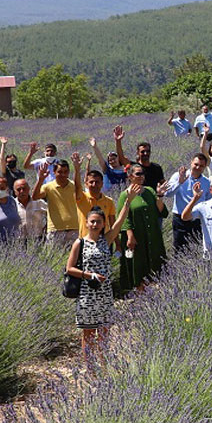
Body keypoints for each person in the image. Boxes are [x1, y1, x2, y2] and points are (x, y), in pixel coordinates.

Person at [67, 197, 135, 353]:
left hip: (105, 293)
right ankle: (90, 370)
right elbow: (69, 268)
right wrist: (89, 275)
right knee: (88, 334)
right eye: (92, 221)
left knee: (105, 332)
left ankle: (104, 370)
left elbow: (119, 221)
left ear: (104, 224)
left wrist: (127, 203)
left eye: (98, 222)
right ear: (86, 223)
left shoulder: (107, 239)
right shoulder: (80, 243)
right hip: (87, 294)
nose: (95, 224)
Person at [116, 163, 167, 292]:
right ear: (130, 176)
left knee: (155, 263)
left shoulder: (149, 191)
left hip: (153, 234)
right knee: (139, 265)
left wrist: (160, 196)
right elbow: (124, 217)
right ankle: (139, 293)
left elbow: (160, 211)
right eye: (138, 174)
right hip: (137, 236)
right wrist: (130, 236)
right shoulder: (125, 195)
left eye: (142, 173)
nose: (141, 176)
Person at [33, 160, 81, 246]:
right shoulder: (48, 187)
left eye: (65, 172)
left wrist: (77, 170)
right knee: (55, 256)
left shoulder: (73, 186)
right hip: (55, 230)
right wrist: (40, 179)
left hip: (74, 228)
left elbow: (79, 196)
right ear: (54, 172)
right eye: (59, 172)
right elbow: (35, 197)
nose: (63, 175)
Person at [114, 127, 165, 192]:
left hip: (152, 199)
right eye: (142, 152)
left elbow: (163, 183)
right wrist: (118, 141)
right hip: (136, 198)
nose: (145, 153)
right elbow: (121, 157)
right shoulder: (134, 166)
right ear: (138, 153)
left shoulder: (157, 168)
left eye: (148, 151)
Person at [15, 177, 48, 243]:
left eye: (24, 189)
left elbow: (51, 214)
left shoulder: (39, 202)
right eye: (18, 189)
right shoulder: (12, 205)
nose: (22, 191)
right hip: (19, 241)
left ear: (29, 189)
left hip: (38, 239)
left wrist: (47, 227)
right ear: (15, 192)